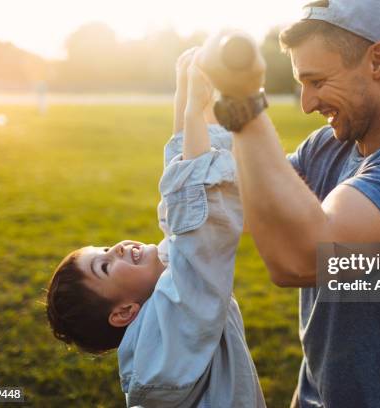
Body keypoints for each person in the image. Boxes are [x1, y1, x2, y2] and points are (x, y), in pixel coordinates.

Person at [197, 0, 380, 407]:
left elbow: (299, 258)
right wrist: (200, 95)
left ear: (378, 61)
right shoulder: (326, 148)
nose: (307, 103)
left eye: (317, 81)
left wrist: (245, 107)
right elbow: (234, 205)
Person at [45, 49, 265, 408]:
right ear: (123, 313)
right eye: (103, 266)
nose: (114, 249)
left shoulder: (162, 304)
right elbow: (198, 225)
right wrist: (194, 107)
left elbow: (184, 215)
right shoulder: (167, 338)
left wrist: (184, 94)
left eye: (102, 249)